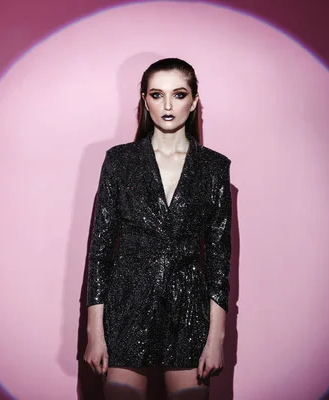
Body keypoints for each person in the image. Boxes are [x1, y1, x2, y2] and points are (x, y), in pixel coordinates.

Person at [83, 57, 232, 400]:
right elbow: (100, 251)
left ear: (194, 101)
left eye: (179, 94)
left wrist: (216, 338)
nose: (167, 105)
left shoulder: (214, 167)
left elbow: (219, 260)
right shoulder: (119, 161)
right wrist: (95, 333)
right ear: (144, 100)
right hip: (126, 306)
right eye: (156, 94)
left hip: (190, 311)